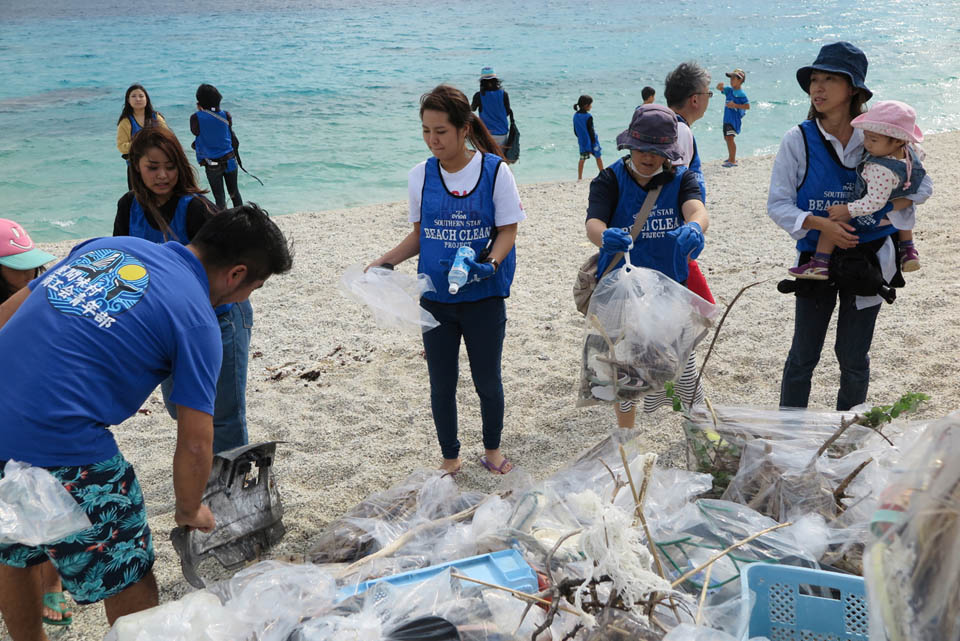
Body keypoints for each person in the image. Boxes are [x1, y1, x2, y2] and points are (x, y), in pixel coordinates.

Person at [0, 205, 293, 641]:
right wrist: (189, 508)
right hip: (63, 441)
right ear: (235, 275)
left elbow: (10, 313)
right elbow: (196, 441)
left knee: (16, 545)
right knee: (128, 567)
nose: (245, 299)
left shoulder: (108, 247)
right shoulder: (197, 319)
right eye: (254, 287)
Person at [766, 41, 932, 410]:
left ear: (853, 90)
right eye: (814, 80)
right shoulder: (798, 139)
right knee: (802, 357)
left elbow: (920, 185)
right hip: (816, 259)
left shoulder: (884, 137)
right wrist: (821, 225)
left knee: (853, 357)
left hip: (871, 258)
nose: (818, 89)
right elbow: (778, 205)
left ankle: (847, 438)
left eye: (829, 79)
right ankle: (790, 433)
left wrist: (887, 208)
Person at [369, 85, 524, 476]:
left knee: (487, 381)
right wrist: (385, 261)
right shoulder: (420, 175)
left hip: (484, 296)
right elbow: (421, 235)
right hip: (435, 298)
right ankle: (450, 457)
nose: (432, 139)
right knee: (442, 384)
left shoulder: (494, 171)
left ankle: (491, 450)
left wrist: (490, 263)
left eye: (440, 131)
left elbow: (508, 230)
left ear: (463, 129)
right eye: (426, 130)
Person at [114, 125, 254, 454]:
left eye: (170, 166)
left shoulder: (195, 209)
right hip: (166, 326)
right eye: (153, 167)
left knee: (224, 414)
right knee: (181, 409)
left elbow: (226, 272)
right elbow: (120, 266)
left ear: (181, 166)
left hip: (219, 319)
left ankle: (227, 484)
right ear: (136, 167)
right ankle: (205, 470)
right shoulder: (128, 206)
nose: (163, 175)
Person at [586, 104, 709, 427]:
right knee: (624, 369)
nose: (648, 157)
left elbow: (697, 209)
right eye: (642, 148)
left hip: (670, 288)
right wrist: (604, 236)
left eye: (657, 151)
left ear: (670, 151)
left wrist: (695, 227)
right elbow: (593, 223)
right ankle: (627, 439)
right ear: (630, 145)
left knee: (683, 367)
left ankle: (697, 431)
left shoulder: (683, 179)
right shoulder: (609, 179)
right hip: (621, 290)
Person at [0, 220, 71, 629]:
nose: (30, 275)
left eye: (32, 265)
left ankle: (53, 585)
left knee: (47, 501)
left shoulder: (39, 296)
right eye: (18, 266)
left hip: (39, 414)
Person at [789, 100, 927, 279]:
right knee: (904, 214)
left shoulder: (880, 168)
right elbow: (921, 163)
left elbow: (873, 202)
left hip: (874, 213)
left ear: (897, 141)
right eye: (866, 136)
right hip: (899, 208)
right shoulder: (911, 151)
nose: (867, 143)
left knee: (832, 223)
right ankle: (908, 249)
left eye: (874, 139)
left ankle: (820, 263)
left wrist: (847, 209)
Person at [664, 61, 715, 304]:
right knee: (700, 309)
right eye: (708, 93)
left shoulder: (666, 125)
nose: (709, 99)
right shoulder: (680, 131)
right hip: (675, 236)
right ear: (695, 99)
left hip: (672, 234)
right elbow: (674, 184)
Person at [191, 84, 243, 210]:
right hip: (230, 160)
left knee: (219, 198)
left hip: (212, 164)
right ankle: (241, 218)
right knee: (234, 193)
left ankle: (223, 224)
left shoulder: (196, 118)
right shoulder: (226, 115)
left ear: (199, 102)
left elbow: (195, 132)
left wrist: (201, 111)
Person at [116, 84, 169, 188]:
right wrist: (142, 144)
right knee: (138, 200)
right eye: (133, 96)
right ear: (128, 100)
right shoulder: (126, 122)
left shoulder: (156, 117)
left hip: (157, 166)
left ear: (146, 99)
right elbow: (122, 147)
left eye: (141, 96)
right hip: (135, 169)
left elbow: (167, 138)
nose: (138, 99)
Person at [471, 67, 514, 149]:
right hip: (502, 133)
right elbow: (507, 112)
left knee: (487, 160)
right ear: (496, 81)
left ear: (482, 82)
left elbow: (472, 109)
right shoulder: (504, 94)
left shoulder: (479, 95)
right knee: (501, 159)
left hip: (486, 133)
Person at [715, 68, 749, 167]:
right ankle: (731, 157)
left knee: (730, 138)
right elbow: (720, 89)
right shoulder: (729, 91)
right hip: (727, 118)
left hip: (734, 120)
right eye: (730, 78)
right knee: (726, 137)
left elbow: (747, 106)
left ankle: (733, 160)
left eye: (733, 78)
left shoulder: (741, 94)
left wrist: (735, 105)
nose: (731, 80)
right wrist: (719, 86)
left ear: (740, 80)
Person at [573, 95, 603, 180]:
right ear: (586, 105)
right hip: (592, 141)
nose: (591, 106)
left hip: (582, 141)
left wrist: (581, 138)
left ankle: (579, 178)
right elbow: (591, 131)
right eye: (590, 104)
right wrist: (593, 142)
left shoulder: (575, 115)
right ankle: (602, 174)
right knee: (598, 157)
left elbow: (575, 131)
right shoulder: (588, 116)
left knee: (582, 159)